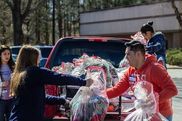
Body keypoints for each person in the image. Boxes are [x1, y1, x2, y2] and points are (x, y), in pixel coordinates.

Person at [9, 45, 92, 121]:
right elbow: (59, 78)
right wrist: (84, 82)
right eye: (38, 57)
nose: (39, 60)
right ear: (33, 58)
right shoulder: (35, 72)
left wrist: (62, 101)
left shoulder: (18, 75)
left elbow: (40, 97)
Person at [106, 40, 178, 121]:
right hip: (144, 114)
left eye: (128, 54)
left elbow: (172, 90)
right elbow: (117, 90)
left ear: (138, 54)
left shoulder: (155, 68)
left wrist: (152, 102)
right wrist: (99, 95)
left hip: (161, 115)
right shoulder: (130, 71)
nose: (125, 58)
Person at [0, 45, 15, 121]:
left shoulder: (13, 66)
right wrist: (1, 84)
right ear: (0, 55)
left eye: (8, 54)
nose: (7, 56)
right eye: (4, 54)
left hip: (11, 99)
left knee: (11, 119)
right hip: (1, 99)